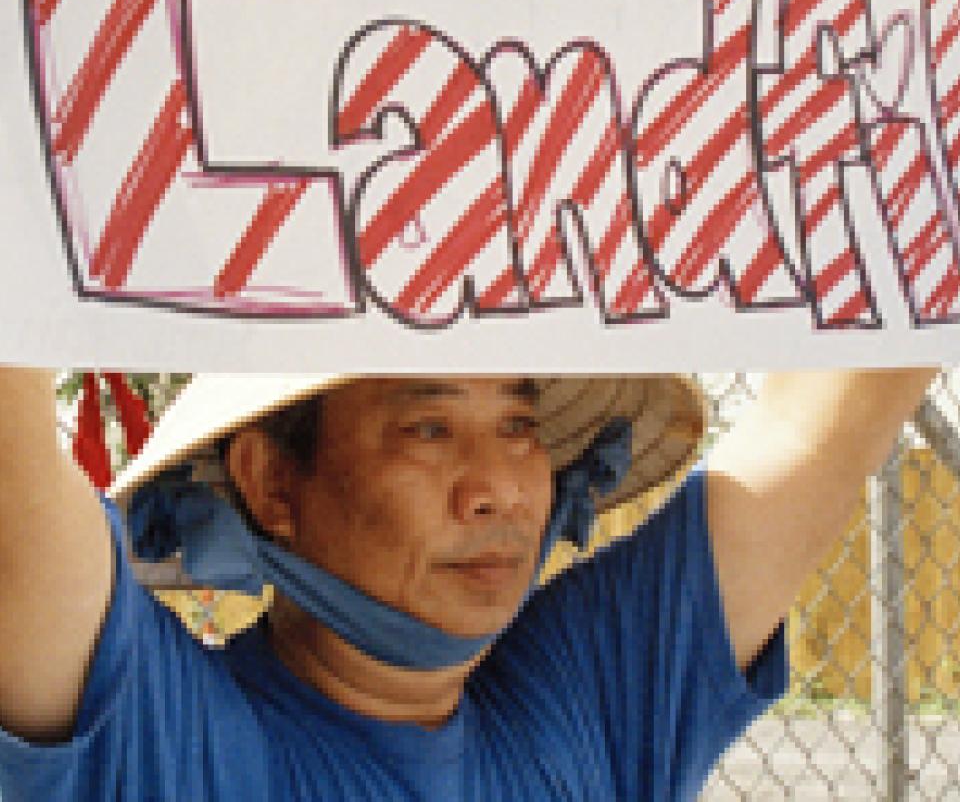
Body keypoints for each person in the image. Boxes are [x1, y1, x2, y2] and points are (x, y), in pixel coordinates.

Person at [0, 365, 937, 800]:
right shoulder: (171, 748)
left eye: (519, 427)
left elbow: (824, 424)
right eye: (429, 430)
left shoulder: (582, 707)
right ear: (272, 481)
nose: (499, 490)